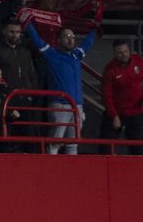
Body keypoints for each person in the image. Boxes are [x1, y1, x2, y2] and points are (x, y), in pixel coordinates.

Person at [25, 22, 96, 154]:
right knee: (55, 142)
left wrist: (95, 30)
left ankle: (72, 172)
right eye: (66, 36)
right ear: (57, 40)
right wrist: (28, 23)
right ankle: (50, 171)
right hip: (60, 105)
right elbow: (36, 40)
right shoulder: (52, 54)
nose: (70, 39)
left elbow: (87, 43)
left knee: (73, 143)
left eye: (72, 36)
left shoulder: (76, 54)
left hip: (77, 106)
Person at [100, 39, 143, 150]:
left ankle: (138, 167)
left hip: (136, 113)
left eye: (125, 51)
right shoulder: (110, 69)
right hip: (116, 112)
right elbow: (107, 95)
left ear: (129, 51)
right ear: (115, 54)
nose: (123, 55)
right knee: (106, 146)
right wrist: (115, 116)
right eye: (120, 53)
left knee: (137, 148)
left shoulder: (140, 61)